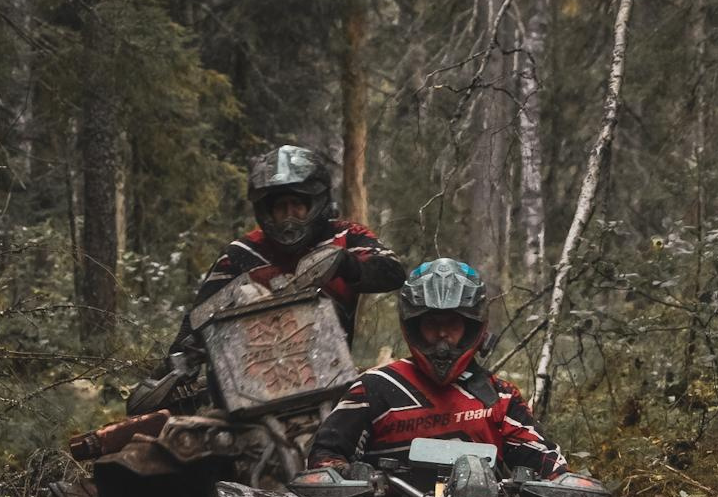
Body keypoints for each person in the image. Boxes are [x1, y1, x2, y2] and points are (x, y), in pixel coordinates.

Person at [308, 257, 566, 479]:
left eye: (452, 324)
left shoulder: (500, 396)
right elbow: (326, 454)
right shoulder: (375, 387)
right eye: (432, 324)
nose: (442, 335)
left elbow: (541, 456)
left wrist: (560, 480)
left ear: (471, 326)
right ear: (414, 326)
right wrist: (344, 473)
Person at [166, 145, 405, 358]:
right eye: (281, 207)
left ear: (315, 203)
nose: (289, 216)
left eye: (297, 205)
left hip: (329, 371)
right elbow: (197, 319)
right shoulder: (242, 252)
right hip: (249, 373)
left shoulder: (345, 235)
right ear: (266, 211)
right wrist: (177, 362)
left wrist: (347, 264)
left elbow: (392, 271)